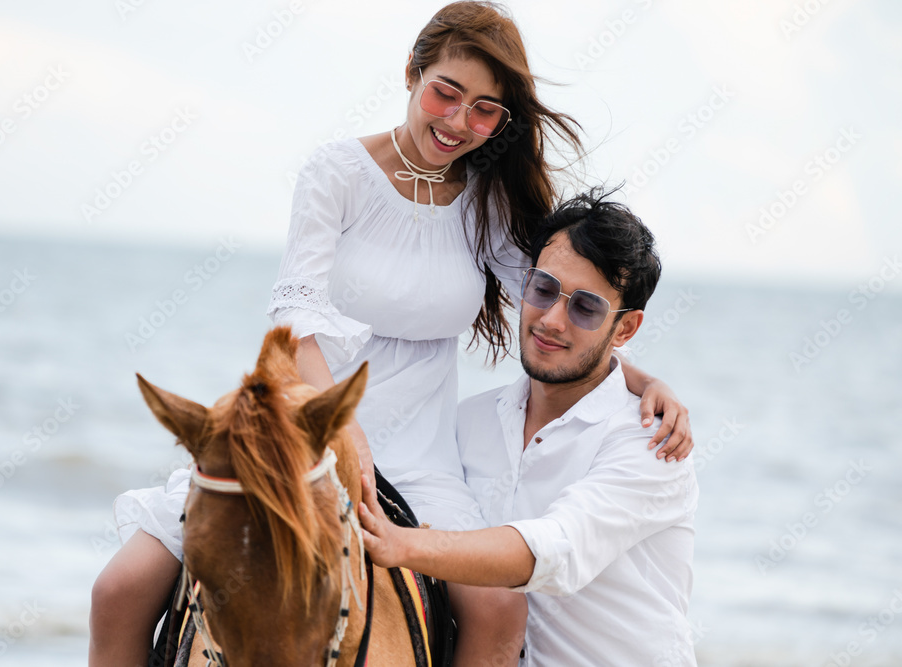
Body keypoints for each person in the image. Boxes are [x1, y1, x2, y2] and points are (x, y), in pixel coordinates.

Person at [89, 3, 694, 666]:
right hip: (304, 425)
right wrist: (338, 424)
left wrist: (642, 379)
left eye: (486, 109)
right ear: (411, 73)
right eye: (447, 92)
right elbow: (294, 313)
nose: (460, 121)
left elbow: (553, 307)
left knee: (498, 606)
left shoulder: (485, 203)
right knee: (119, 587)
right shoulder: (337, 173)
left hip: (419, 450)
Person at [358, 189, 699, 666]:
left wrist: (401, 545)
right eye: (542, 289)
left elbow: (556, 548)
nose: (552, 320)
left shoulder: (651, 443)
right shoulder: (467, 423)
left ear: (624, 329)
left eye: (586, 307)